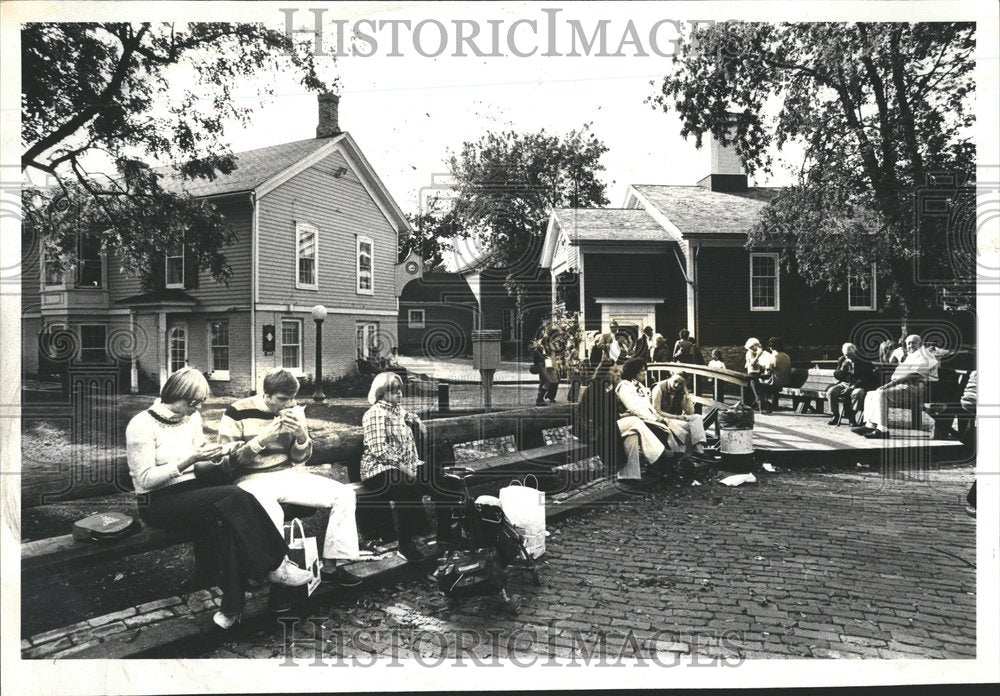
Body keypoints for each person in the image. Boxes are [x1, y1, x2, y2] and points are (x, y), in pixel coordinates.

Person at [126, 368, 313, 630]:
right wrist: (188, 461)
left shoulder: (191, 419)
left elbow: (199, 461)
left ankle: (232, 608)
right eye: (196, 402)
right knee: (234, 494)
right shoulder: (141, 424)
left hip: (192, 492)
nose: (199, 408)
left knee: (226, 521)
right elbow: (144, 479)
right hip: (158, 501)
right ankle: (275, 564)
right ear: (182, 397)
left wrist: (217, 454)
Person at [219, 368, 362, 586]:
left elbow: (298, 459)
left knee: (343, 494)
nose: (289, 404)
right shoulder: (237, 411)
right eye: (283, 399)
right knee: (272, 510)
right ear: (265, 394)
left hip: (287, 473)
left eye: (293, 398)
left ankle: (331, 566)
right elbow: (228, 462)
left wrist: (302, 437)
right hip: (249, 479)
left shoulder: (294, 410)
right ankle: (278, 571)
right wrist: (262, 440)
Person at [358, 372, 452, 561]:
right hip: (378, 470)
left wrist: (417, 421)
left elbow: (408, 415)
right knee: (408, 486)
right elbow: (380, 451)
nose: (399, 393)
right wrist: (406, 469)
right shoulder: (375, 414)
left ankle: (445, 536)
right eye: (393, 390)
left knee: (442, 479)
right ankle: (405, 544)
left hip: (404, 466)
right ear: (381, 392)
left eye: (400, 389)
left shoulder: (397, 410)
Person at [614, 358, 691, 486]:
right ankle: (662, 465)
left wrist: (658, 417)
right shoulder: (625, 386)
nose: (645, 373)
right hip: (634, 420)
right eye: (641, 371)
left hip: (646, 418)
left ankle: (671, 464)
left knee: (674, 428)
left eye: (645, 370)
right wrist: (655, 419)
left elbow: (649, 407)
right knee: (660, 430)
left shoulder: (641, 387)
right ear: (633, 372)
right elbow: (634, 407)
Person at [854, 334, 939, 439]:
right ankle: (870, 425)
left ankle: (883, 430)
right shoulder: (913, 355)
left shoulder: (925, 356)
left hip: (920, 388)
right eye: (908, 343)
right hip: (907, 387)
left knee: (882, 394)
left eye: (914, 343)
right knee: (871, 394)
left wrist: (889, 385)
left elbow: (914, 376)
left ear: (921, 344)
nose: (910, 345)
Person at [650, 374, 709, 455]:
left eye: (681, 384)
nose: (677, 385)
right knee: (692, 427)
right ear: (671, 377)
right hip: (661, 420)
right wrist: (677, 417)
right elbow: (656, 411)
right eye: (675, 381)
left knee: (697, 418)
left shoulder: (680, 391)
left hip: (673, 419)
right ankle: (694, 453)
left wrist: (686, 393)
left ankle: (698, 449)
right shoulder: (659, 388)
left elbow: (691, 412)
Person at [825, 343, 877, 426]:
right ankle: (835, 415)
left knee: (857, 393)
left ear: (855, 352)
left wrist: (853, 387)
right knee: (831, 391)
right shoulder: (842, 360)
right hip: (844, 384)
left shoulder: (863, 361)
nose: (848, 357)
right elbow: (837, 376)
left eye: (850, 355)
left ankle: (851, 417)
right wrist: (842, 369)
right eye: (846, 355)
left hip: (858, 385)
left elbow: (866, 378)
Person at [744, 337, 776, 413]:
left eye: (758, 345)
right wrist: (758, 355)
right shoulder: (750, 353)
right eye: (756, 345)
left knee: (759, 391)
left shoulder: (753, 353)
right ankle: (762, 409)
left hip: (756, 373)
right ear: (751, 346)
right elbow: (752, 363)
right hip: (752, 374)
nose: (757, 347)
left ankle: (760, 407)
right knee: (758, 392)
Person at [767, 337, 792, 410]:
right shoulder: (787, 356)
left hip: (776, 381)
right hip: (786, 380)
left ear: (771, 347)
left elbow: (769, 370)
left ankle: (766, 403)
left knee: (758, 383)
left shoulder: (775, 357)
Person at [531, 340, 559, 405]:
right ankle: (539, 399)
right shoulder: (538, 349)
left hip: (546, 366)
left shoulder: (544, 348)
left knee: (549, 381)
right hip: (543, 366)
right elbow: (538, 359)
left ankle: (540, 398)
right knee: (547, 381)